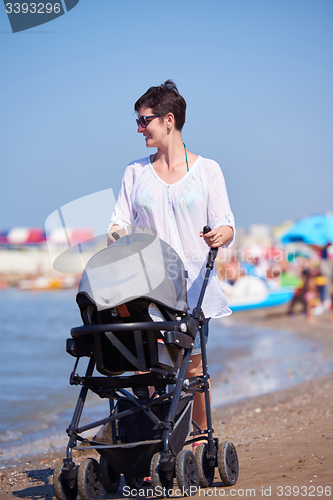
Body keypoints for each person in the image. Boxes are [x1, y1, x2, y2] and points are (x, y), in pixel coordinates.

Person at [107, 80, 235, 441]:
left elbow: (226, 224)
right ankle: (149, 442)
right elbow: (118, 221)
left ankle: (196, 442)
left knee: (192, 370)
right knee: (146, 370)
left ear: (168, 120)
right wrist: (118, 239)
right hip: (146, 286)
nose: (138, 128)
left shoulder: (208, 170)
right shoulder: (135, 172)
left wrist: (218, 236)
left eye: (143, 120)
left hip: (193, 288)